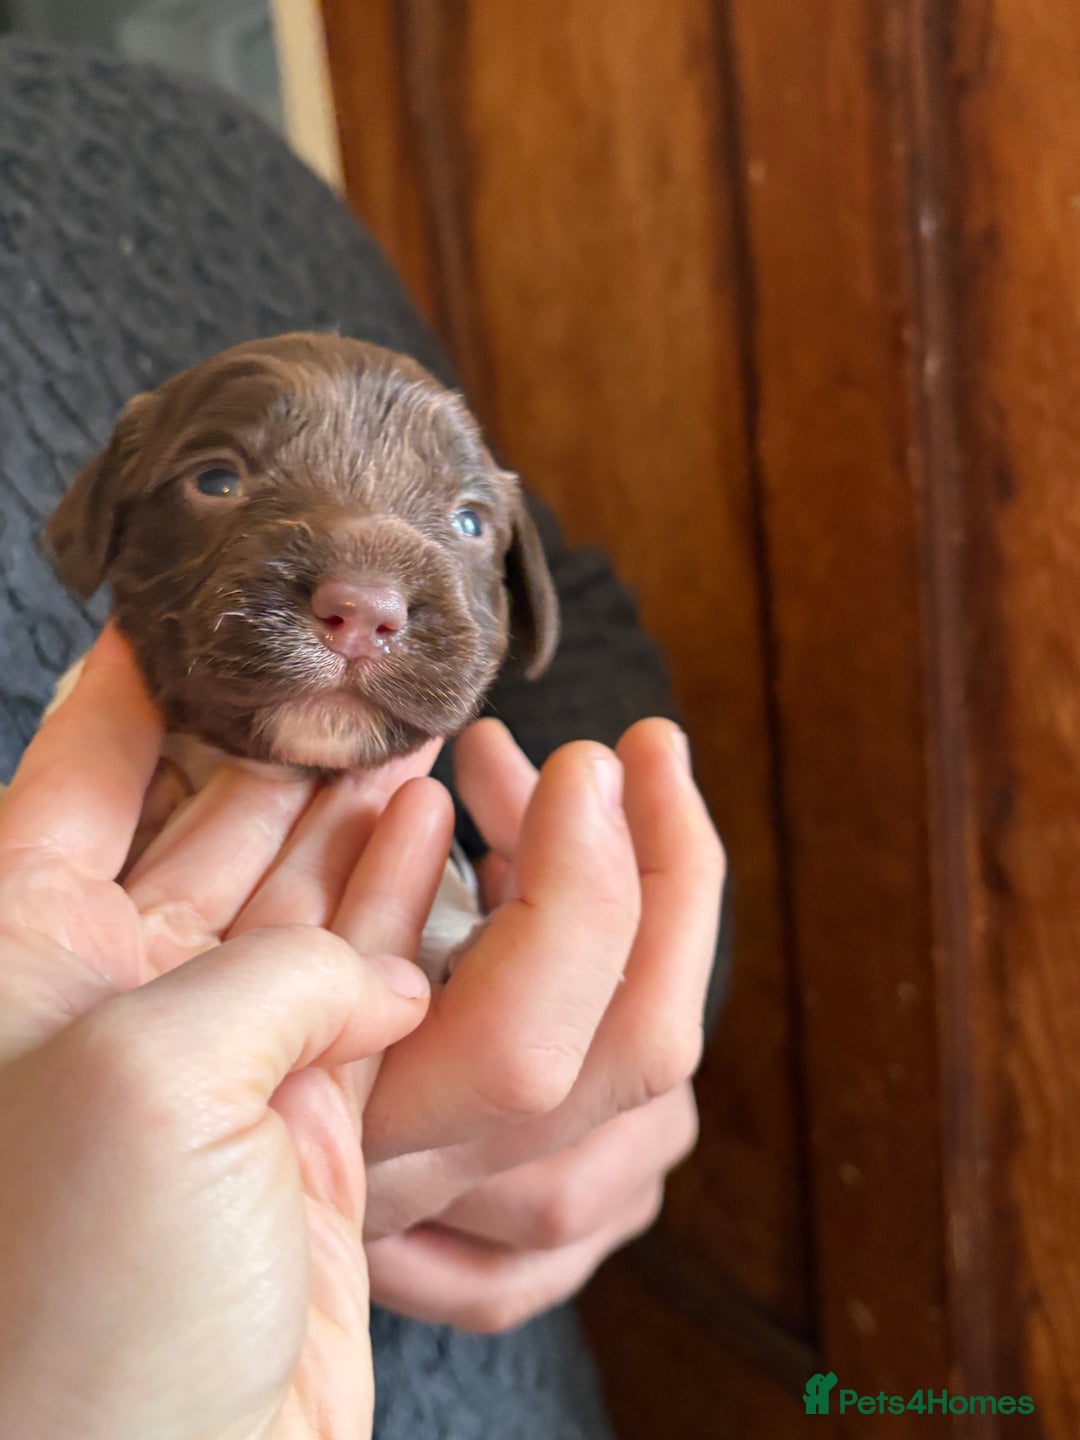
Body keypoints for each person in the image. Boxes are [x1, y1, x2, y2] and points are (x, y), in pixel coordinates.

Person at [0, 39, 726, 1440]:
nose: (366, 597)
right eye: (223, 478)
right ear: (98, 524)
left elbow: (573, 631)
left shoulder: (166, 143)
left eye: (456, 525)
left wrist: (617, 1030)